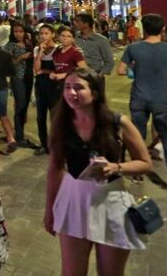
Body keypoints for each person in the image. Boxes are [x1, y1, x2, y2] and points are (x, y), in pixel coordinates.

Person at [45, 70, 152, 275]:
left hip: (111, 201)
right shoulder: (61, 124)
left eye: (78, 87)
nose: (71, 93)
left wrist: (117, 167)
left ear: (94, 93)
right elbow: (55, 168)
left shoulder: (118, 123)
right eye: (67, 87)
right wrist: (49, 210)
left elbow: (146, 163)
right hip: (74, 200)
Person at [116, 13, 167, 187]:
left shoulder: (133, 48)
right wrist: (165, 72)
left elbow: (120, 70)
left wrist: (135, 70)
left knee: (138, 134)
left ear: (144, 28)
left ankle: (137, 171)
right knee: (166, 133)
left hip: (139, 98)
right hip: (161, 98)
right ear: (162, 29)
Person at [4, 23, 36, 148]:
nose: (18, 34)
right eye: (15, 31)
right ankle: (19, 135)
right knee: (20, 105)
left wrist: (30, 42)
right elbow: (8, 63)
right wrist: (22, 57)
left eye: (20, 31)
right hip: (17, 77)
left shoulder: (30, 44)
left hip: (29, 76)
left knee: (25, 105)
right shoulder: (10, 45)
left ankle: (20, 132)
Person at [33, 24, 60, 156]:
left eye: (46, 33)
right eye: (41, 34)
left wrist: (45, 70)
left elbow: (59, 70)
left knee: (55, 117)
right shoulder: (37, 49)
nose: (43, 36)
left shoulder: (58, 49)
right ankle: (44, 144)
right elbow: (36, 69)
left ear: (53, 34)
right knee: (40, 117)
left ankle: (56, 145)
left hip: (55, 86)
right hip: (41, 85)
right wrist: (40, 54)